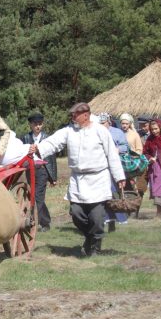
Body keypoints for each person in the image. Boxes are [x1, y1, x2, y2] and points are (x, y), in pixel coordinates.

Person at [28, 102, 125, 257]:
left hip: (98, 179)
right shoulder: (69, 131)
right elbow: (54, 142)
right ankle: (90, 237)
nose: (72, 117)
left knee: (96, 216)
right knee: (77, 214)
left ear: (86, 115)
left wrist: (119, 177)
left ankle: (96, 243)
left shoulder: (101, 131)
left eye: (76, 115)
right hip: (78, 181)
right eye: (72, 114)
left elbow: (112, 155)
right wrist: (39, 148)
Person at [21, 112, 57, 232]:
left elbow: (52, 158)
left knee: (37, 197)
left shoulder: (47, 138)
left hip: (43, 171)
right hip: (30, 170)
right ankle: (45, 221)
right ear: (30, 125)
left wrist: (53, 177)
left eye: (40, 124)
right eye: (35, 124)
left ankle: (34, 222)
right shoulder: (26, 138)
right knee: (36, 196)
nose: (38, 126)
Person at [99, 113, 128, 230]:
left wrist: (117, 149)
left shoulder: (117, 132)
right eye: (99, 123)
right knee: (102, 194)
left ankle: (120, 218)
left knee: (114, 192)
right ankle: (106, 218)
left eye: (103, 123)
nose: (101, 125)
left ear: (109, 122)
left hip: (113, 167)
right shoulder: (95, 133)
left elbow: (126, 147)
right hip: (100, 167)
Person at [119, 113, 146, 217]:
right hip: (121, 164)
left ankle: (135, 210)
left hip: (132, 164)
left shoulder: (134, 134)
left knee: (134, 186)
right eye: (122, 123)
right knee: (123, 186)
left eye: (126, 123)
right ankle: (124, 209)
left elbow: (139, 149)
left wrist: (133, 156)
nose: (124, 125)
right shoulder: (118, 133)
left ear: (130, 124)